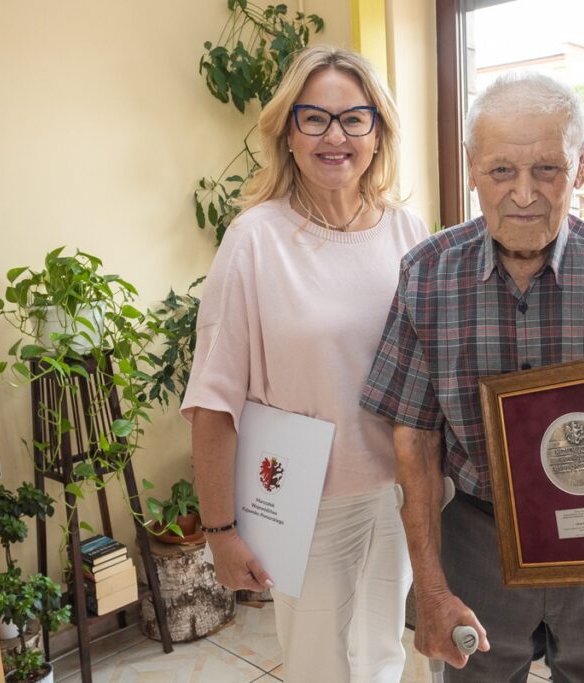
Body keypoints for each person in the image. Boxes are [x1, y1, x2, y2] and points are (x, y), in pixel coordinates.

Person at [361, 71, 584, 683]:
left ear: (583, 163)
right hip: (477, 538)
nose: (523, 194)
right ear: (470, 167)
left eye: (548, 169)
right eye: (501, 171)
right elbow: (414, 441)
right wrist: (430, 591)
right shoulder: (427, 276)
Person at [180, 46, 429, 682]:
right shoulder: (255, 239)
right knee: (321, 666)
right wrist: (220, 530)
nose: (334, 136)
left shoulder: (409, 233)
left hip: (402, 491)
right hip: (305, 500)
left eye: (354, 118)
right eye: (313, 118)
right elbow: (212, 398)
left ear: (379, 131)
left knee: (382, 653)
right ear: (287, 133)